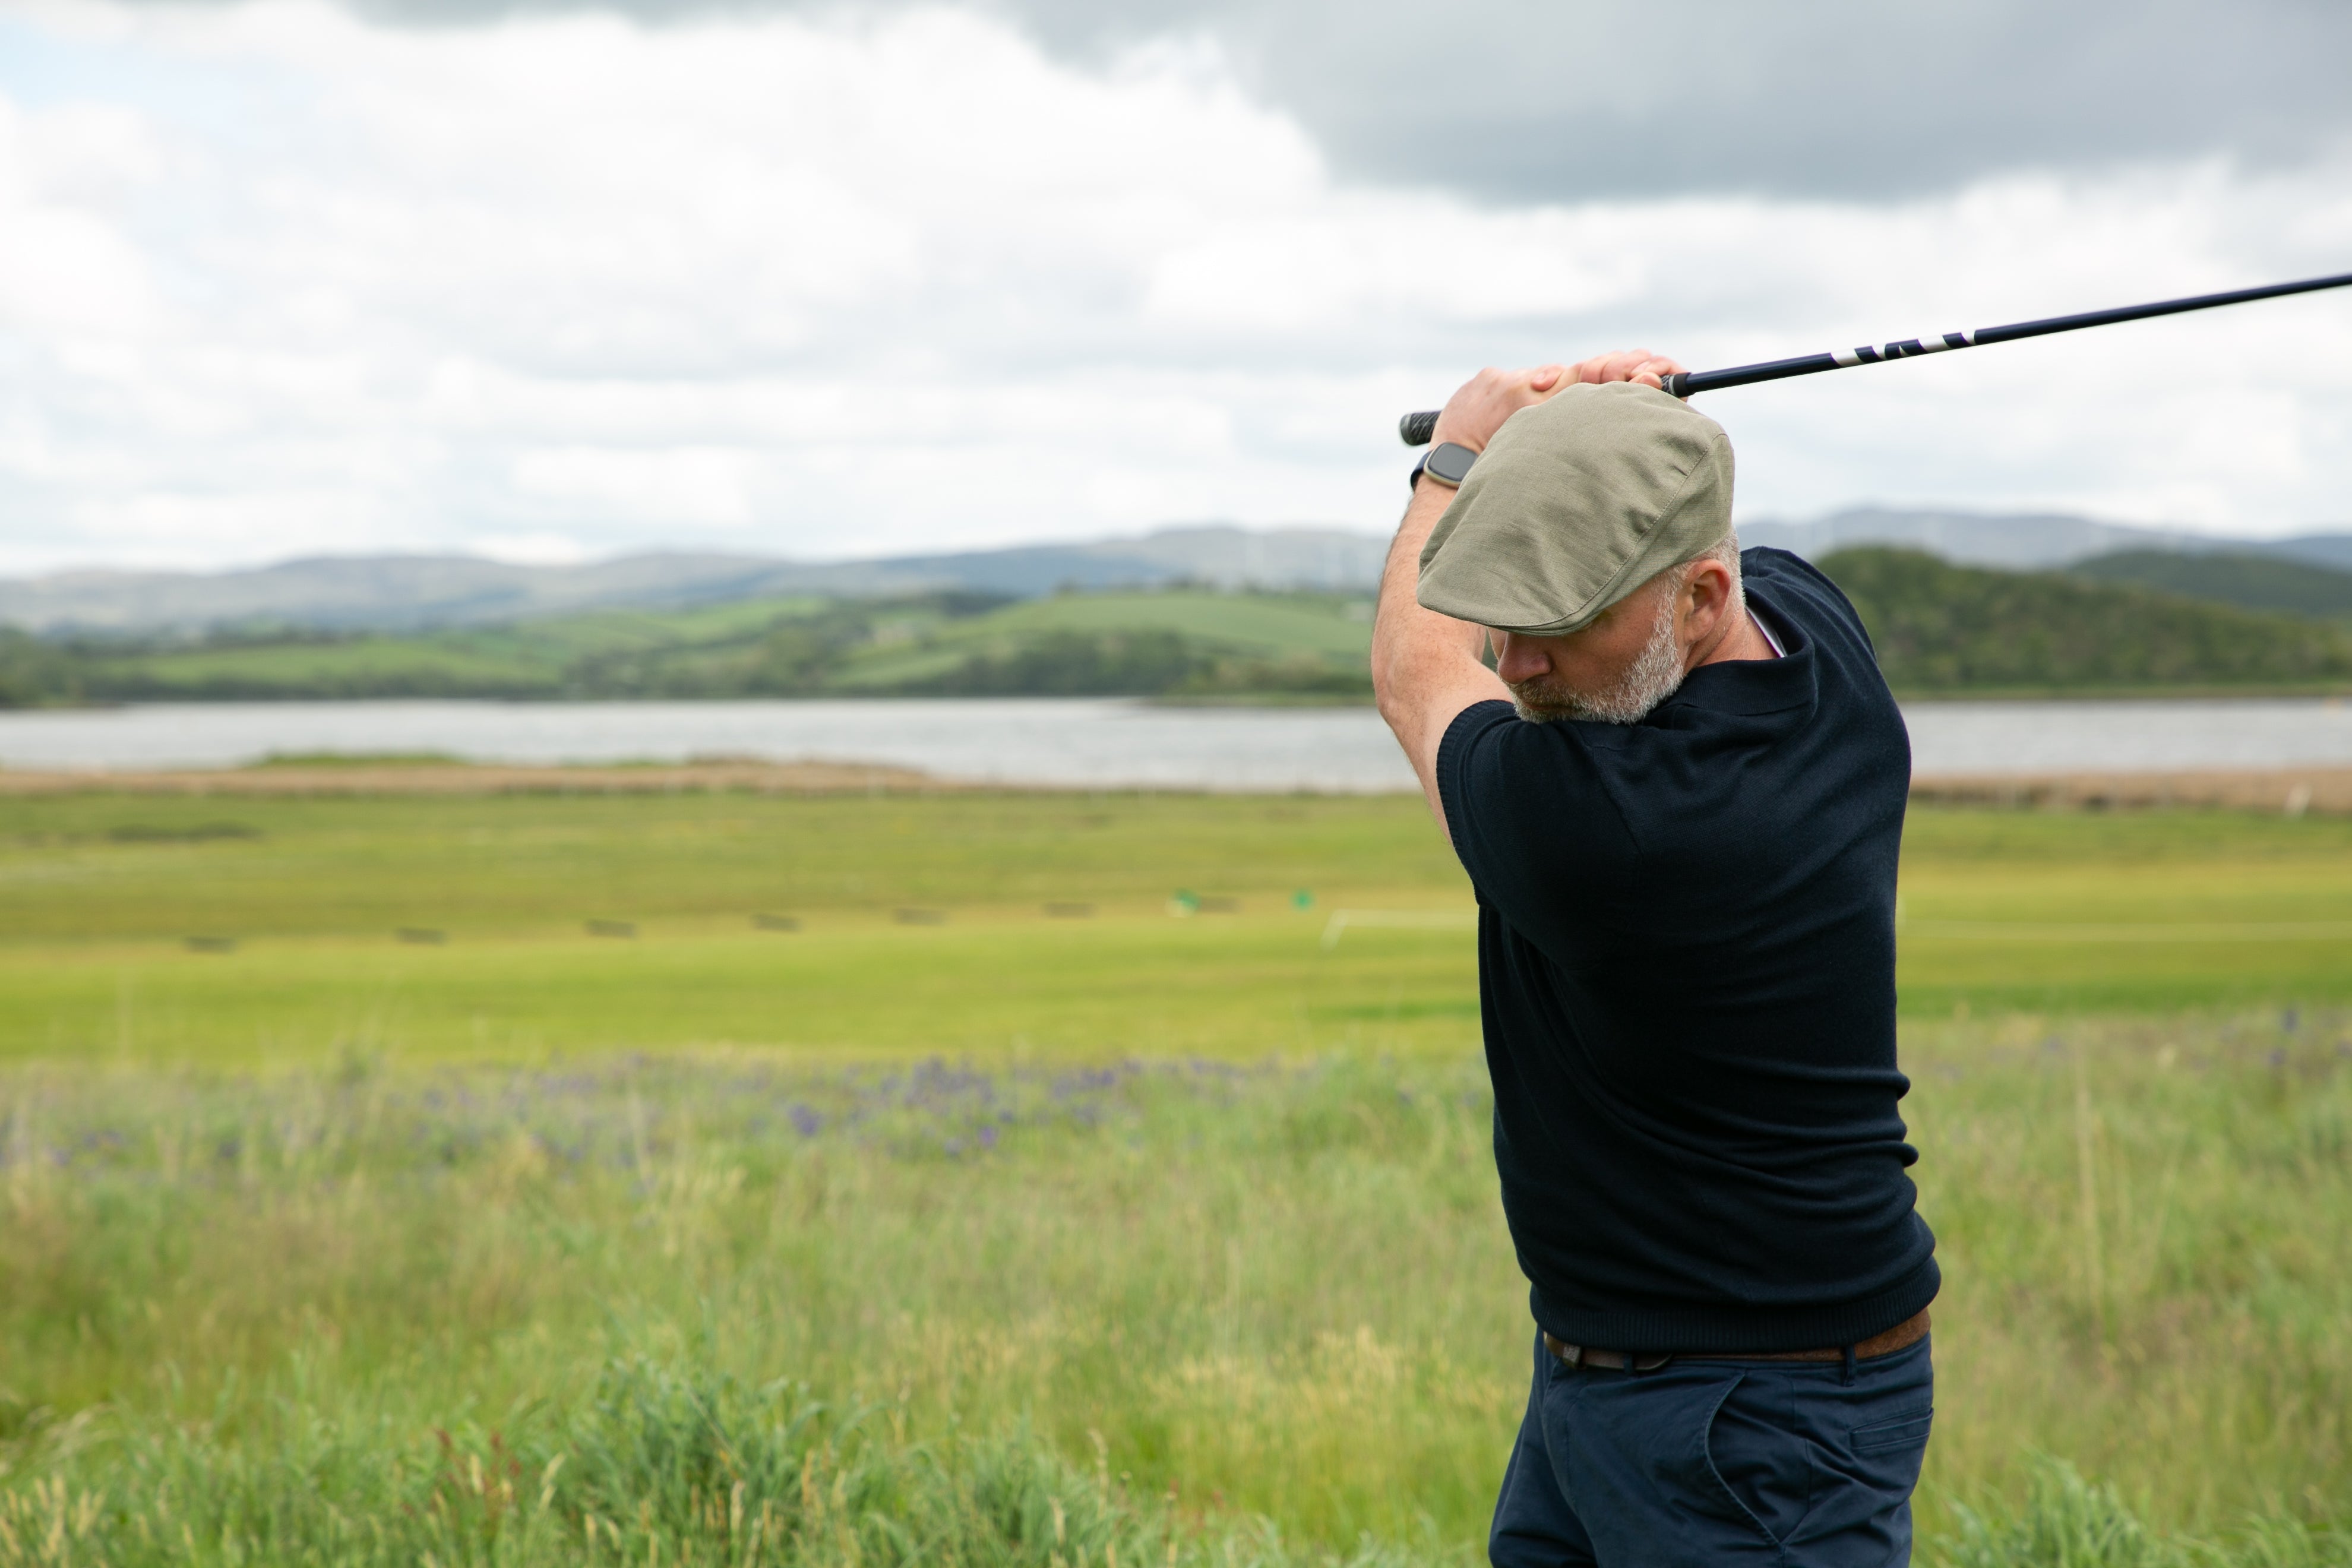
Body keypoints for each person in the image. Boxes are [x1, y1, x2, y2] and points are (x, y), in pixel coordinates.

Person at [1371, 352, 1939, 1568]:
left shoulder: (1604, 828)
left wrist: (1458, 459)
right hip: (1623, 1374)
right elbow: (1684, 518)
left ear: (1699, 599)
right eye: (1507, 618)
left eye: (1557, 629)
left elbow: (1421, 671)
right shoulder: (1814, 637)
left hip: (1750, 1426)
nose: (1515, 663)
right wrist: (1625, 433)